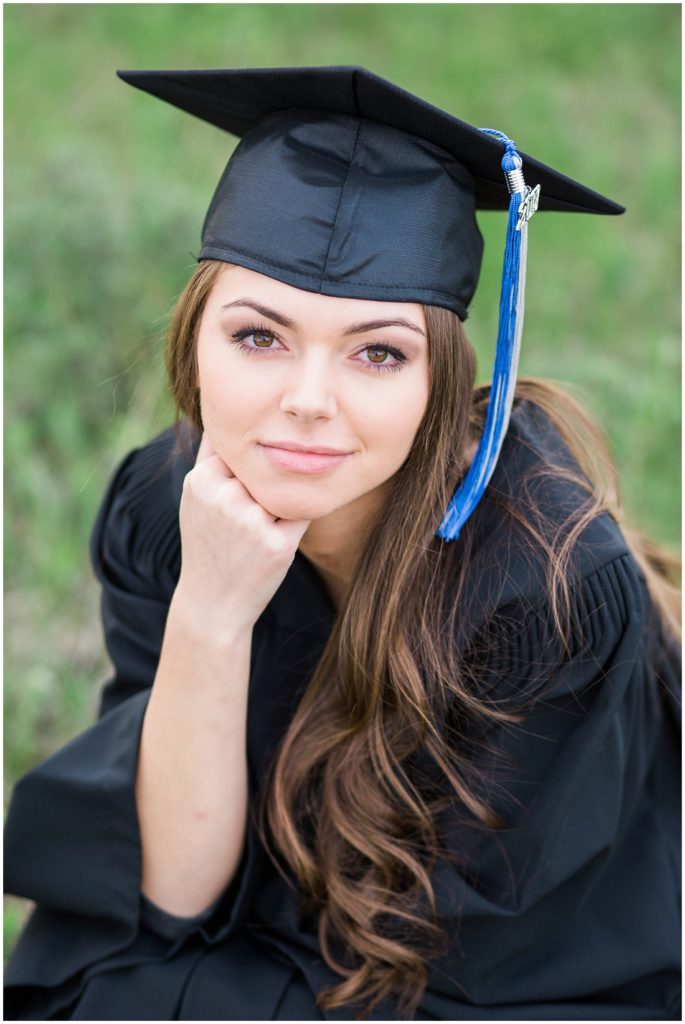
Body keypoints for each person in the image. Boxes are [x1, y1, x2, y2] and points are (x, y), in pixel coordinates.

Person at [4, 65, 681, 1022]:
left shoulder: (543, 591)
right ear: (194, 343)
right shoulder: (166, 514)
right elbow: (171, 897)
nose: (308, 400)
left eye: (377, 352)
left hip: (493, 966)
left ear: (438, 380)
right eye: (258, 337)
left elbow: (460, 962)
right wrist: (210, 611)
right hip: (271, 925)